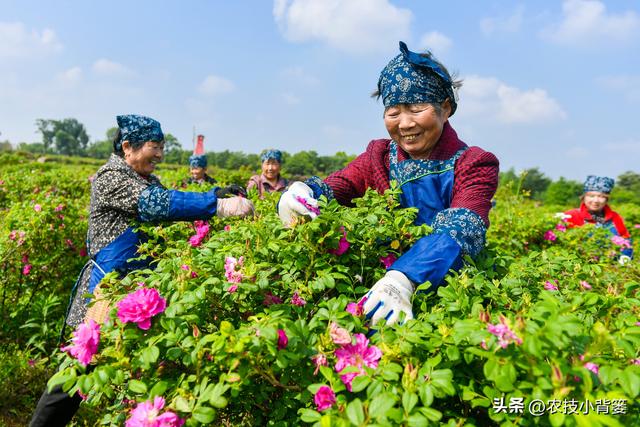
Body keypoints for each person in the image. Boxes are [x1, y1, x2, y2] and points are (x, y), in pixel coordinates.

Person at [30, 114, 254, 427]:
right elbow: (157, 204)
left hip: (138, 295)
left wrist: (214, 194)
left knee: (140, 376)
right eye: (155, 146)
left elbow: (172, 202)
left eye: (162, 146)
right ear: (127, 147)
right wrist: (216, 205)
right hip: (106, 292)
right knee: (76, 374)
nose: (161, 154)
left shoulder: (145, 179)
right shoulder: (112, 177)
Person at [278, 41, 499, 326]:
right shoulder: (379, 157)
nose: (404, 124)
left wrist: (403, 278)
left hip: (448, 292)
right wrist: (305, 191)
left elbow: (461, 228)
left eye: (417, 108)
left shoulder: (473, 163)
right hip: (375, 289)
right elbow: (340, 184)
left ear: (445, 108)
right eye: (393, 112)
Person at [564, 175, 633, 263]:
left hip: (613, 267)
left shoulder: (615, 217)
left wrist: (623, 258)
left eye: (601, 196)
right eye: (591, 196)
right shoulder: (571, 215)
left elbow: (626, 241)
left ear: (606, 199)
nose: (596, 200)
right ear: (584, 197)